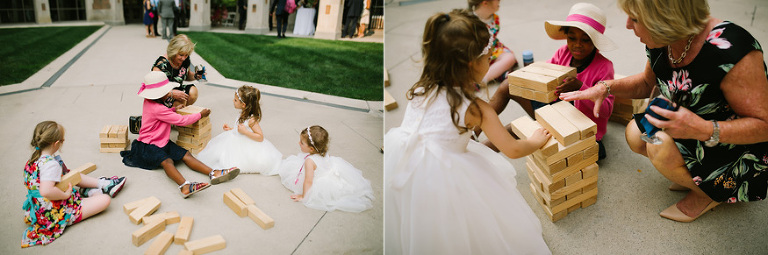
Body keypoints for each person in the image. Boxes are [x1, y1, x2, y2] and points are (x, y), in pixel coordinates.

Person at [561, 0, 768, 222]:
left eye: (636, 19)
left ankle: (710, 192)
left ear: (664, 20)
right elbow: (645, 83)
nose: (628, 25)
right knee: (636, 134)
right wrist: (606, 87)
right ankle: (693, 175)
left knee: (659, 148)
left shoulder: (733, 51)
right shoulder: (662, 40)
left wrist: (703, 128)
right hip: (687, 126)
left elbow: (763, 126)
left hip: (730, 143)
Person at [384, 9, 551, 254]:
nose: (491, 61)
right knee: (466, 226)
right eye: (487, 56)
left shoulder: (420, 89)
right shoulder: (476, 109)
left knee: (425, 229)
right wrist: (535, 140)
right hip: (446, 177)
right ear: (471, 64)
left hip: (407, 169)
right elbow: (513, 149)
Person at [121, 71, 240, 198]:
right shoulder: (158, 108)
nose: (169, 94)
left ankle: (213, 173)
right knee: (167, 161)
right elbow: (181, 121)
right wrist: (200, 114)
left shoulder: (151, 102)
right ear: (159, 94)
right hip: (148, 146)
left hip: (162, 141)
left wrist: (173, 109)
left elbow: (163, 114)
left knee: (185, 154)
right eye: (166, 92)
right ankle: (184, 186)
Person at [22, 121, 126, 248]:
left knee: (71, 174)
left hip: (38, 206)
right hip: (53, 212)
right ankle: (93, 192)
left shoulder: (34, 159)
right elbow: (46, 191)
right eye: (62, 141)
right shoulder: (50, 165)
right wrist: (65, 195)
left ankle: (103, 184)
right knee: (105, 200)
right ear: (56, 144)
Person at [278, 125, 374, 212]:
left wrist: (304, 196)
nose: (299, 143)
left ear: (311, 149)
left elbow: (308, 181)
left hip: (318, 181)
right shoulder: (322, 152)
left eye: (302, 143)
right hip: (326, 173)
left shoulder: (309, 161)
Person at [196, 85, 283, 175]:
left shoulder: (251, 120)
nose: (233, 101)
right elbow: (240, 128)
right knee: (219, 154)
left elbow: (260, 137)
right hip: (235, 139)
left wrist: (245, 132)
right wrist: (231, 129)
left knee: (231, 161)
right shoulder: (243, 113)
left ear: (243, 105)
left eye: (235, 100)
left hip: (245, 145)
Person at [469, 0, 517, 84]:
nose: (500, 1)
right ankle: (488, 77)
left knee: (510, 58)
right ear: (485, 3)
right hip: (476, 55)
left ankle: (484, 79)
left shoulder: (495, 18)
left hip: (493, 50)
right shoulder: (469, 21)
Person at [152, 34, 204, 107]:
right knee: (179, 102)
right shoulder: (161, 65)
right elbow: (153, 90)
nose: (183, 58)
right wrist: (171, 93)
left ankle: (177, 113)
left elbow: (186, 75)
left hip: (177, 90)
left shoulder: (185, 59)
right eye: (181, 55)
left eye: (186, 55)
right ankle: (167, 114)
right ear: (173, 51)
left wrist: (196, 76)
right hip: (163, 96)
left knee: (193, 92)